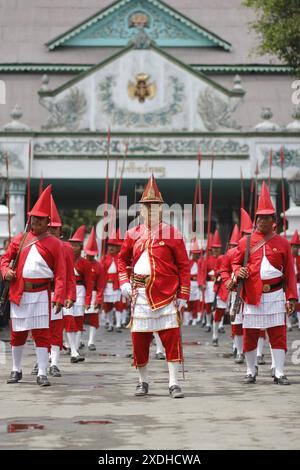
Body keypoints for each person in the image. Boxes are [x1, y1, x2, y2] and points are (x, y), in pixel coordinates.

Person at [118, 175, 190, 398]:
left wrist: (184, 293)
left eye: (155, 206)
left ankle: (174, 382)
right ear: (140, 209)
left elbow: (184, 266)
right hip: (140, 293)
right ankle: (143, 381)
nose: (150, 210)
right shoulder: (132, 234)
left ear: (162, 209)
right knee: (139, 341)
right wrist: (123, 281)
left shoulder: (173, 234)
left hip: (167, 293)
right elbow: (122, 260)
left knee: (171, 338)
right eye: (146, 206)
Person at [233, 182, 298, 385]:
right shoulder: (245, 242)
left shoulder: (283, 243)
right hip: (252, 295)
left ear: (273, 220)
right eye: (260, 217)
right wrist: (237, 271)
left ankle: (279, 372)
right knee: (250, 334)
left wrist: (292, 298)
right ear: (256, 219)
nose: (263, 220)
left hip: (276, 294)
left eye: (267, 216)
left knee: (277, 334)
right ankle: (251, 370)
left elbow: (290, 273)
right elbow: (235, 262)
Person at [1, 185, 66, 386]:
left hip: (41, 293)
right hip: (20, 292)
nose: (35, 222)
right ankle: (16, 369)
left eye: (39, 219)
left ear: (48, 222)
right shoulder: (20, 239)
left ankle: (42, 373)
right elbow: (5, 259)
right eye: (33, 218)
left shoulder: (55, 244)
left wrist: (60, 297)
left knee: (41, 333)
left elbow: (62, 273)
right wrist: (6, 272)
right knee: (17, 332)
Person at [63, 225, 93, 363]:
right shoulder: (63, 259)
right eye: (71, 244)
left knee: (78, 321)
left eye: (76, 245)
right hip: (66, 291)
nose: (73, 247)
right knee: (68, 320)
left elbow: (89, 283)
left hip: (80, 292)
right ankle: (73, 351)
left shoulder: (85, 263)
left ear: (81, 247)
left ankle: (75, 348)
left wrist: (88, 300)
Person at [84, 227, 104, 350]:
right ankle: (78, 340)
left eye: (92, 255)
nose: (90, 257)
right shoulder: (80, 263)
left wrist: (99, 299)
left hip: (93, 294)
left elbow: (101, 284)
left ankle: (91, 341)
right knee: (78, 319)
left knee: (93, 319)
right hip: (81, 293)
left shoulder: (99, 266)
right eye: (88, 254)